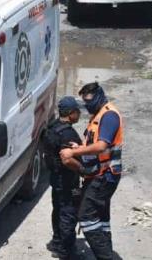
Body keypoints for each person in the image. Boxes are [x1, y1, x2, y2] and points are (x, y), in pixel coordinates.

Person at [60, 83, 122, 260]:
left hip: (104, 175)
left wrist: (74, 152)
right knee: (101, 219)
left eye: (89, 100)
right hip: (100, 174)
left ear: (99, 96)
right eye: (85, 101)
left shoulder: (109, 116)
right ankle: (107, 252)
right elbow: (95, 143)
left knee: (86, 217)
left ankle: (105, 257)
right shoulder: (100, 114)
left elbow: (102, 146)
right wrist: (81, 147)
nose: (87, 105)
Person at [45, 96, 83, 260]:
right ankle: (67, 252)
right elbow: (68, 160)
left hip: (56, 178)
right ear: (70, 113)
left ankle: (56, 242)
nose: (79, 114)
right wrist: (83, 169)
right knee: (68, 214)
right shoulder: (68, 134)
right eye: (77, 111)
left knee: (58, 210)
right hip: (67, 180)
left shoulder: (53, 127)